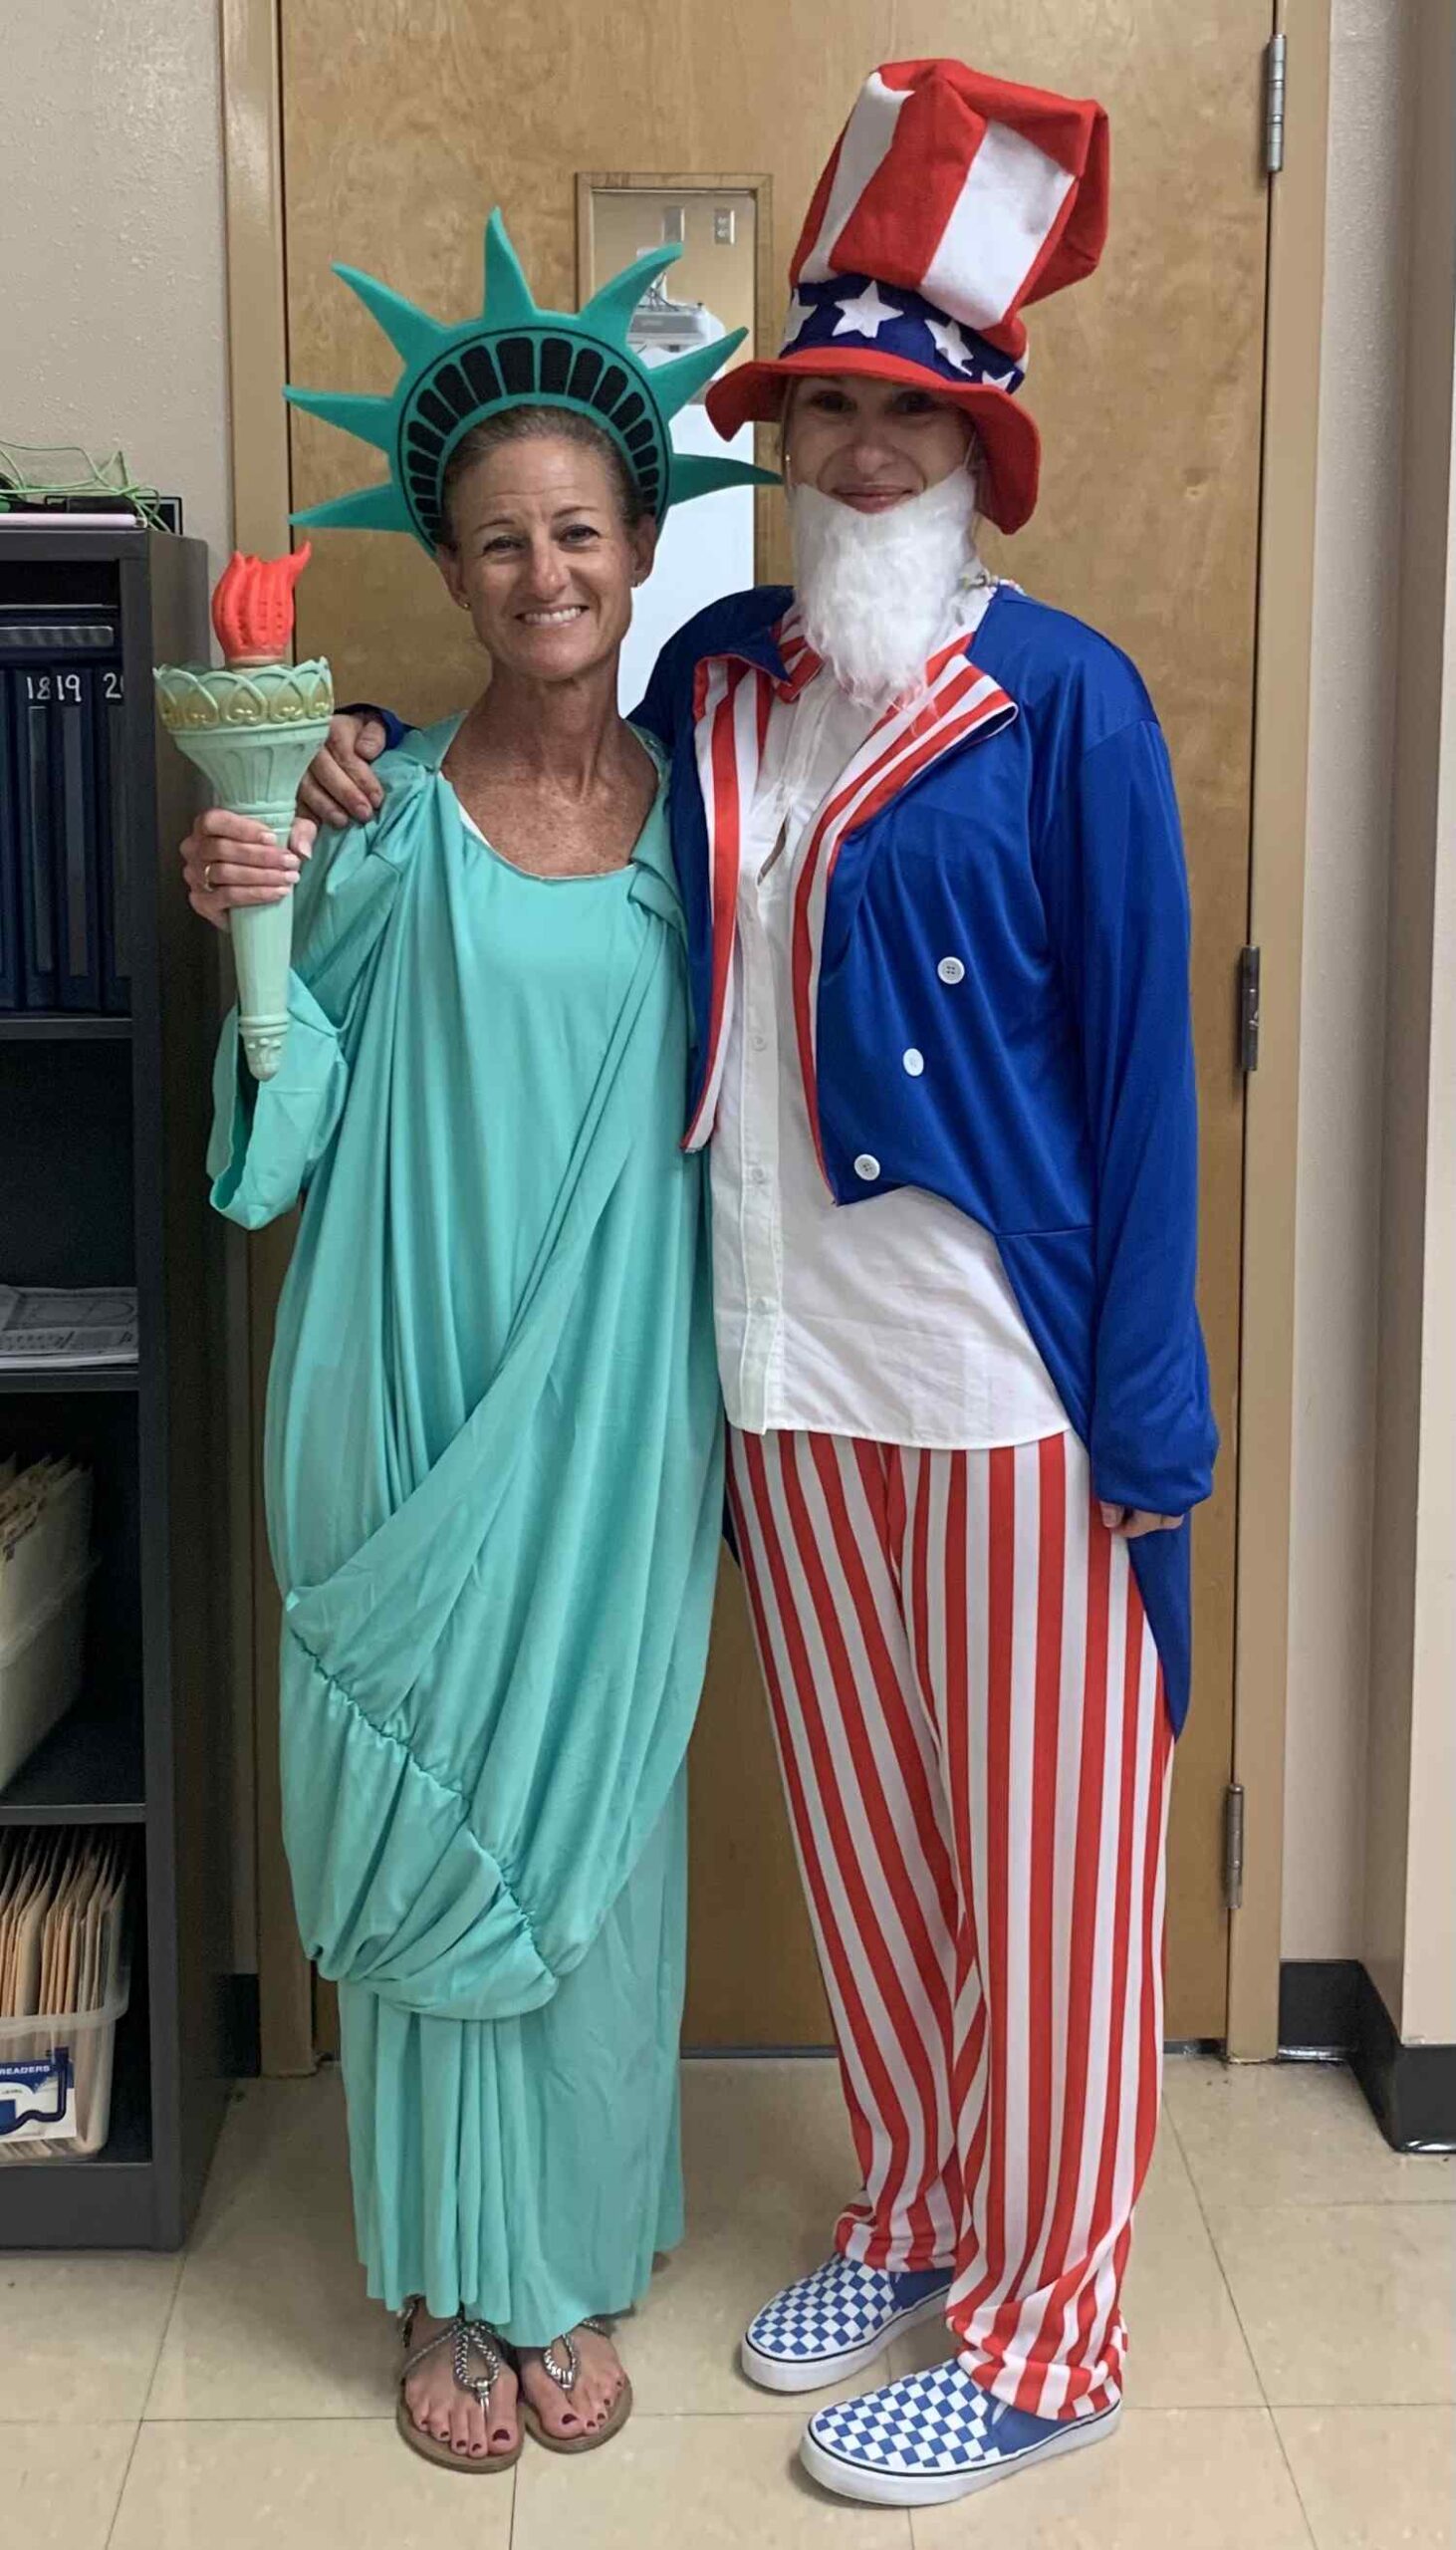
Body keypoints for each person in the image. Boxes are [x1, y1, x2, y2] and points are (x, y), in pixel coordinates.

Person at [303, 61, 1218, 2512]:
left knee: (1046, 1881)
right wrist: (355, 759)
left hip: (1002, 1394)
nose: (854, 449)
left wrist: (1153, 1452)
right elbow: (520, 802)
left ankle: (1051, 2317)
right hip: (779, 1384)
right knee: (879, 1860)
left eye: (897, 414)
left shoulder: (1065, 711)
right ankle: (919, 2204)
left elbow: (1143, 1106)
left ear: (976, 441)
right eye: (818, 409)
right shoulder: (722, 701)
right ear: (778, 446)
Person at [176, 213, 768, 2475]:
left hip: (619, 1423)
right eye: (503, 538)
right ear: (448, 558)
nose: (545, 571)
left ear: (639, 553)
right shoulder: (381, 818)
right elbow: (283, 1127)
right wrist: (258, 915)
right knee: (430, 1825)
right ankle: (440, 2274)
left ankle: (560, 2265)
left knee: (596, 1835)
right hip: (403, 1407)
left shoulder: (704, 832)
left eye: (581, 532)